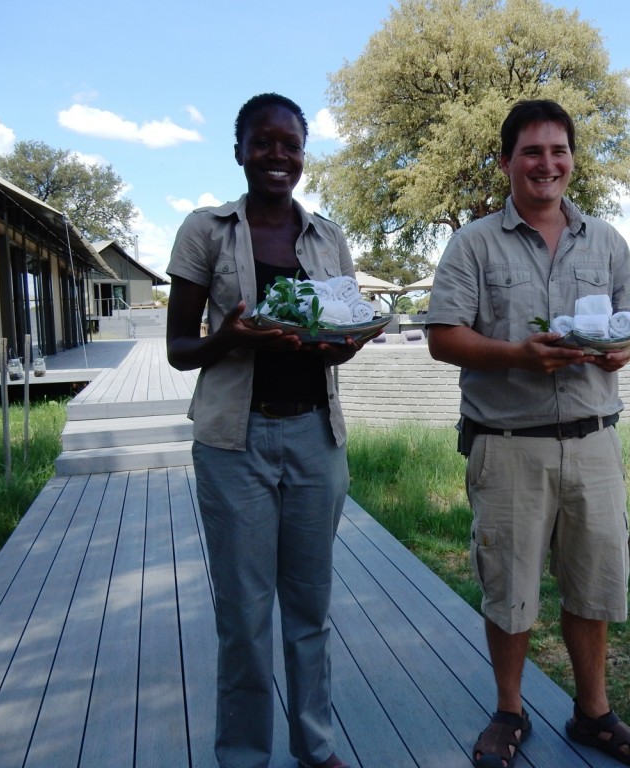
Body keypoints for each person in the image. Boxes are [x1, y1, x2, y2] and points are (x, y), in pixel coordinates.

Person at [426, 99, 630, 768]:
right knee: (509, 588)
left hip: (595, 443)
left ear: (572, 160)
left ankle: (594, 715)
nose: (547, 163)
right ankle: (509, 710)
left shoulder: (607, 241)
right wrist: (517, 355)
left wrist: (625, 350)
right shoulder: (473, 242)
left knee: (594, 583)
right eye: (532, 151)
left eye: (558, 150)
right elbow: (443, 337)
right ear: (506, 162)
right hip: (507, 445)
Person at [166, 93, 363, 768]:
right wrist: (229, 335)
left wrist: (347, 342)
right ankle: (245, 756)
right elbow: (178, 350)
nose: (278, 155)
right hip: (234, 444)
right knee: (245, 619)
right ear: (240, 150)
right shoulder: (206, 230)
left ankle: (316, 748)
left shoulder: (328, 236)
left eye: (291, 144)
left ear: (303, 154)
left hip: (316, 440)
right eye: (263, 142)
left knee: (310, 609)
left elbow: (337, 330)